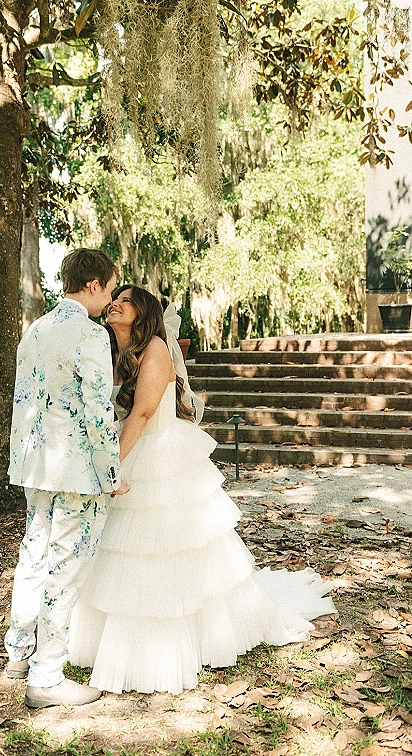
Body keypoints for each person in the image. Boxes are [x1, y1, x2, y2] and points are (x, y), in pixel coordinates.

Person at [68, 285, 336, 695]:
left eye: (126, 299)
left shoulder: (155, 349)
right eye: (114, 296)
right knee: (124, 548)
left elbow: (140, 413)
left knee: (165, 546)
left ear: (143, 313)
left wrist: (110, 468)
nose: (115, 303)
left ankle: (180, 639)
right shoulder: (110, 351)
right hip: (129, 447)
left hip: (156, 453)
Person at [4, 249, 130, 709]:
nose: (111, 298)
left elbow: (24, 399)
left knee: (34, 554)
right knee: (65, 566)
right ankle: (47, 676)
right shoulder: (91, 334)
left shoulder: (34, 330)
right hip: (79, 471)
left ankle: (18, 654)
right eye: (111, 288)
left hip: (35, 465)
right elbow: (99, 409)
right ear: (93, 284)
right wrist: (111, 472)